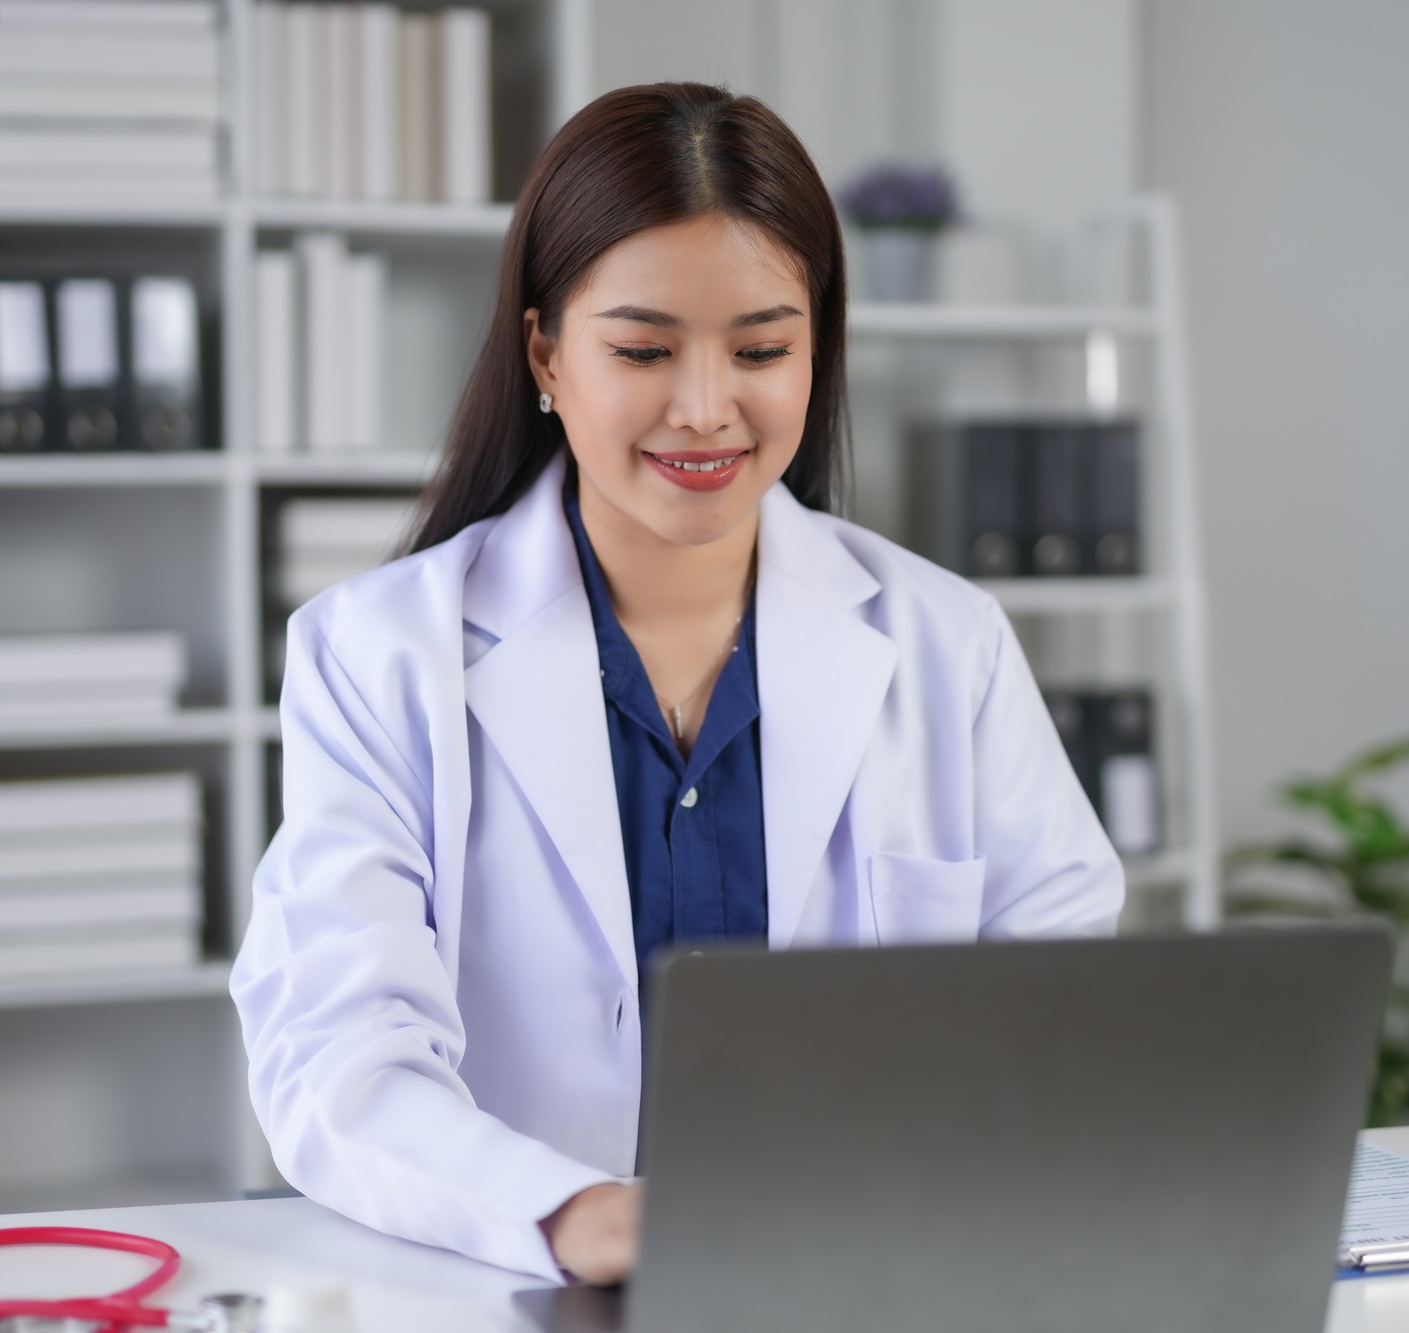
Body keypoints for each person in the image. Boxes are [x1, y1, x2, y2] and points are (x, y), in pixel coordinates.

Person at [230, 83, 1122, 1288]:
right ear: (545, 351)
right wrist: (569, 1213)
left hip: (870, 1281)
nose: (706, 408)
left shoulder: (945, 641)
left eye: (761, 348)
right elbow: (334, 1054)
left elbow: (1066, 1004)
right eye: (642, 349)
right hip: (523, 1287)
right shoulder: (377, 651)